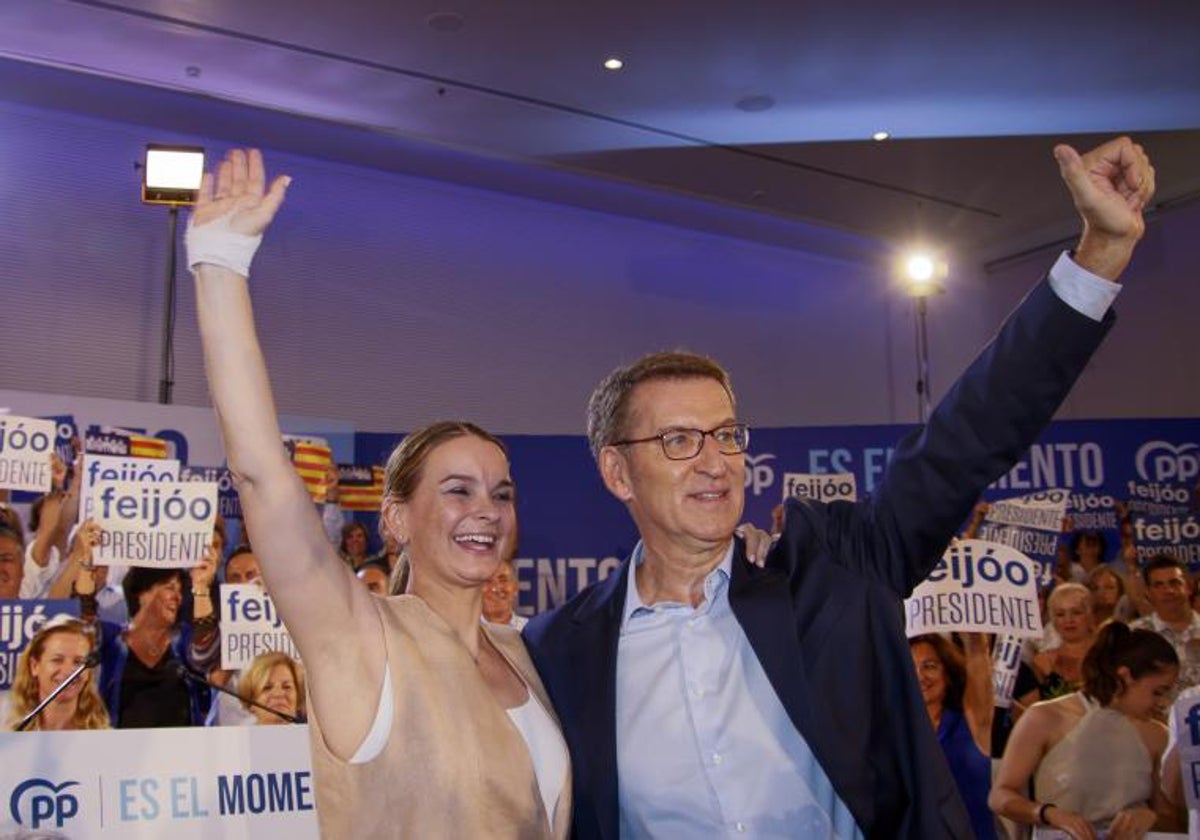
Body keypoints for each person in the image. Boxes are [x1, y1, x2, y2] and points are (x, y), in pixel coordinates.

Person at [522, 135, 1156, 838]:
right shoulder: (561, 648)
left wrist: (1098, 255)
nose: (715, 460)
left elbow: (963, 441)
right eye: (678, 441)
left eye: (728, 435)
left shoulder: (833, 571)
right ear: (617, 472)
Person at [186, 148, 573, 837]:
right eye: (457, 490)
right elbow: (262, 477)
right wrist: (220, 260)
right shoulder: (361, 639)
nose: (486, 508)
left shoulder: (522, 651)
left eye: (501, 492)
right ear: (395, 516)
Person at [990, 623, 1178, 838]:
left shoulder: (1157, 734)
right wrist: (1047, 813)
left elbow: (1175, 818)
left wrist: (1151, 816)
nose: (1163, 703)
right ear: (1126, 676)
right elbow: (1000, 795)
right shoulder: (1046, 717)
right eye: (1158, 692)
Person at [909, 634, 996, 840]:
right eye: (910, 668)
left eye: (930, 666)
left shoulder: (972, 722)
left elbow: (976, 655)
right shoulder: (895, 732)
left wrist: (975, 644)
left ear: (948, 672)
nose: (920, 676)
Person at [6, 618, 110, 731]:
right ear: (34, 666)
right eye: (57, 660)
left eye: (78, 662)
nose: (68, 671)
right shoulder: (7, 731)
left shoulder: (105, 739)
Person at [1131, 554, 1200, 694]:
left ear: (1189, 587)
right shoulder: (1134, 635)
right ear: (1147, 593)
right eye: (1159, 585)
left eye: (1174, 583)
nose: (1168, 591)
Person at [239, 651, 305, 725]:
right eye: (267, 688)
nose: (278, 694)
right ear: (250, 700)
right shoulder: (235, 735)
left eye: (287, 687)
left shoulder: (313, 735)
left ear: (298, 697)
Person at [484, 557, 528, 630]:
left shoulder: (531, 632)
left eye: (503, 580)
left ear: (515, 587)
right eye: (488, 581)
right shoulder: (463, 633)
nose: (495, 588)